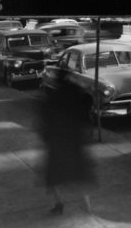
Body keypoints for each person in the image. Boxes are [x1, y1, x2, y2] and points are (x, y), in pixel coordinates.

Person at [39, 75, 96, 215]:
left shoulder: (52, 99)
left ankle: (59, 204)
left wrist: (46, 136)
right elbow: (86, 112)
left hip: (57, 143)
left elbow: (45, 120)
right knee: (79, 175)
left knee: (54, 176)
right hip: (75, 142)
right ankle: (87, 206)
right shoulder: (77, 97)